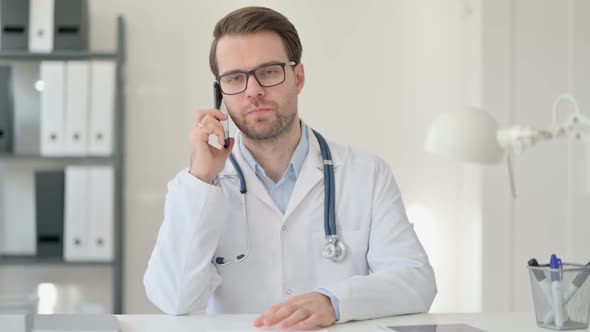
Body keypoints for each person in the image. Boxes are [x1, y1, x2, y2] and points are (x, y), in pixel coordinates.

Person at [144, 6, 437, 330]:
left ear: (298, 77)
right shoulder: (201, 187)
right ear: (220, 93)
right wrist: (201, 179)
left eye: (268, 72)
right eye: (235, 78)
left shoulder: (366, 174)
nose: (253, 90)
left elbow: (415, 280)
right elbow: (173, 299)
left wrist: (333, 302)